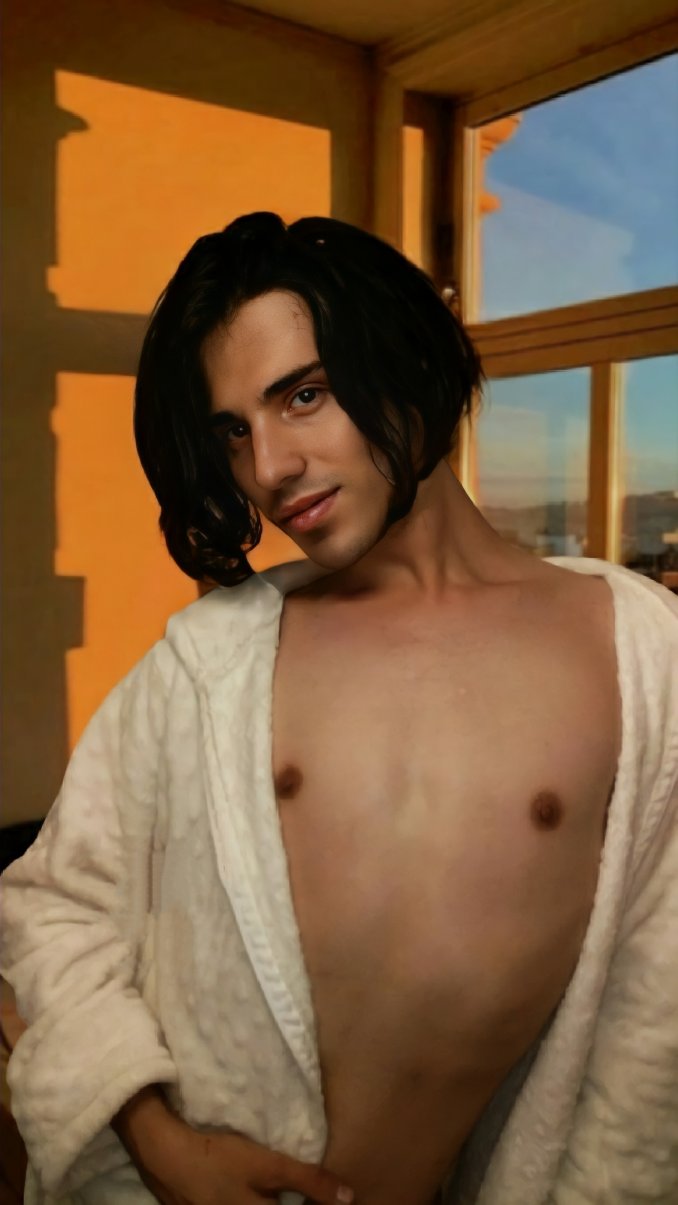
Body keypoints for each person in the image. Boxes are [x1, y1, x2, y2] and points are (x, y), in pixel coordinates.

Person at [1, 212, 677, 1205]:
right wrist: (158, 1143)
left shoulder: (636, 654)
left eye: (303, 396)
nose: (268, 467)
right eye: (235, 431)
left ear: (407, 360)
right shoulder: (212, 662)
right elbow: (50, 904)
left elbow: (654, 1014)